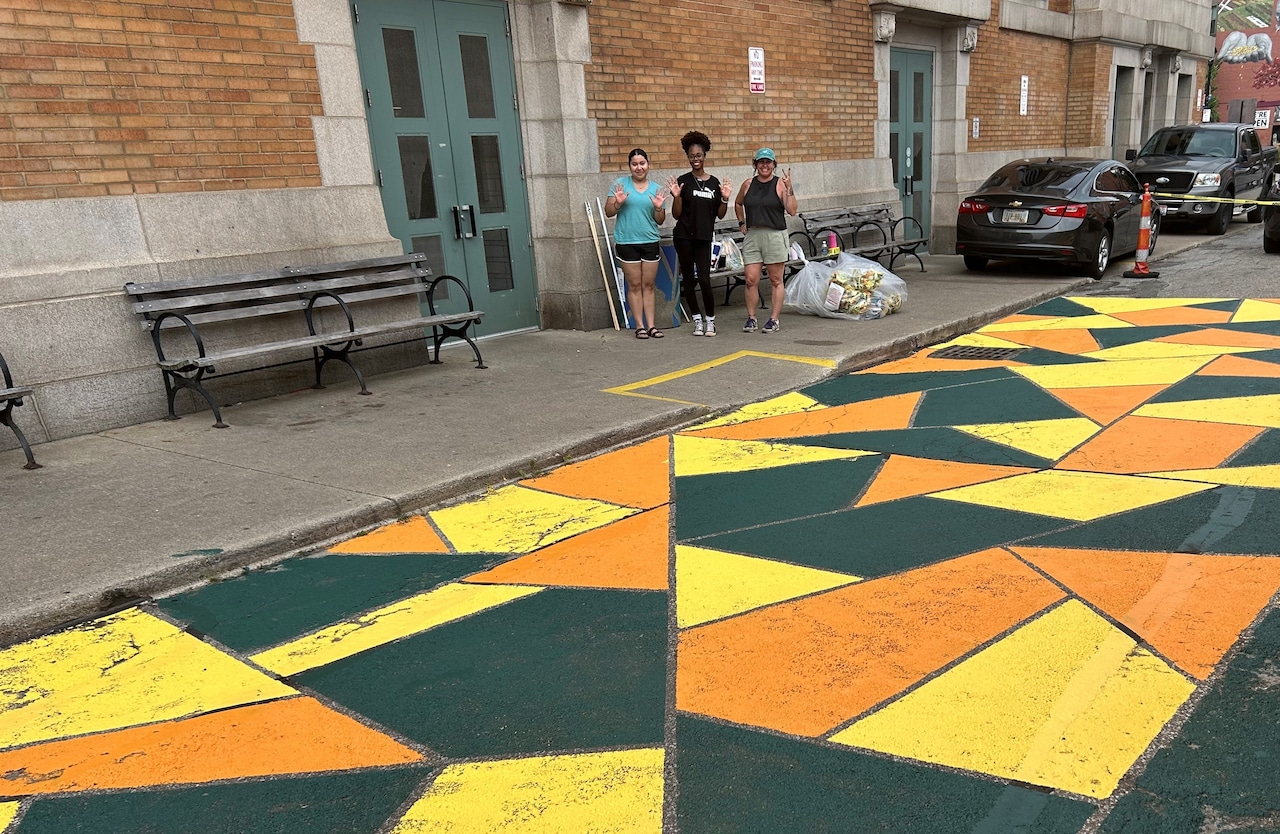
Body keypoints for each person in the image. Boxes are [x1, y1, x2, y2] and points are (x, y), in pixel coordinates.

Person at [666, 131, 732, 337]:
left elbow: (719, 215)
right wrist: (676, 196)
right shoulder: (683, 181)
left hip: (704, 237)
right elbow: (676, 215)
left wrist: (724, 198)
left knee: (704, 279)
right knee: (688, 280)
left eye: (699, 155)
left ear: (705, 156)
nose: (696, 159)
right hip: (684, 236)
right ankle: (697, 320)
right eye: (692, 156)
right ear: (688, 157)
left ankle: (710, 321)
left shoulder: (713, 183)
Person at [733, 147, 797, 334]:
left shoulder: (780, 184)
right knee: (751, 279)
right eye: (761, 162)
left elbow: (792, 210)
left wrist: (789, 187)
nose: (764, 165)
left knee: (776, 279)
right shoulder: (747, 184)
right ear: (755, 164)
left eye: (768, 162)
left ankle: (773, 319)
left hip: (775, 235)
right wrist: (741, 222)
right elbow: (738, 203)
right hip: (753, 235)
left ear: (774, 165)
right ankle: (751, 318)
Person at [605, 148, 667, 338]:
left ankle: (651, 325)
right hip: (627, 241)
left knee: (648, 284)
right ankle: (639, 326)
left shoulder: (656, 188)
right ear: (629, 166)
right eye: (635, 164)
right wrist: (618, 202)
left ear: (648, 164)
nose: (639, 167)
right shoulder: (620, 185)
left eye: (642, 163)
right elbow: (608, 212)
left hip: (649, 240)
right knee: (634, 285)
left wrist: (658, 208)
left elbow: (660, 220)